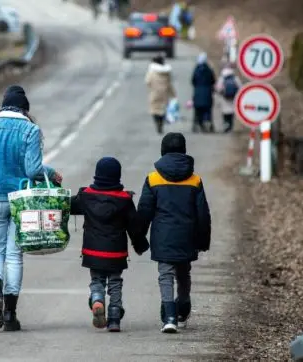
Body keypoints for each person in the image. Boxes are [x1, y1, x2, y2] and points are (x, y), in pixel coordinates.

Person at [0, 85, 62, 332]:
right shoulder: (30, 130)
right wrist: (51, 173)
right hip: (22, 202)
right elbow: (34, 171)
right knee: (15, 255)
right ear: (25, 109)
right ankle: (10, 314)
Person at [136, 132, 211, 334]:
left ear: (163, 150)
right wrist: (203, 240)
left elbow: (144, 211)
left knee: (165, 274)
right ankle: (183, 306)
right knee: (183, 272)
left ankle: (169, 316)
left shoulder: (153, 178)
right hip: (187, 236)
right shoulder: (195, 180)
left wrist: (138, 236)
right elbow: (202, 213)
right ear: (184, 151)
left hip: (163, 235)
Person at [70, 157, 149, 332]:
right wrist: (141, 245)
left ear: (97, 175)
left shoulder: (86, 196)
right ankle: (114, 318)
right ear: (118, 176)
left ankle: (97, 299)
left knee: (97, 279)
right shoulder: (124, 199)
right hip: (116, 253)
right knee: (115, 282)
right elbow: (134, 228)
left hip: (92, 251)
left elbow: (69, 205)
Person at [145, 55, 176, 134]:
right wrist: (173, 95)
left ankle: (157, 123)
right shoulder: (167, 72)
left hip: (154, 93)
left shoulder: (151, 72)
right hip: (165, 94)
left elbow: (147, 82)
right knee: (163, 110)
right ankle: (161, 124)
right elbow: (169, 84)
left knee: (154, 109)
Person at [191, 53, 216, 133]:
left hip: (198, 93)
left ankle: (198, 125)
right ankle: (208, 124)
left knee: (198, 111)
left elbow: (193, 81)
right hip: (207, 93)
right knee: (207, 110)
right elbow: (213, 80)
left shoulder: (196, 69)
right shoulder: (209, 70)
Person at [215, 65, 241, 133]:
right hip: (233, 99)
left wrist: (220, 94)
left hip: (224, 99)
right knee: (231, 113)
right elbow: (240, 88)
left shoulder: (222, 78)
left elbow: (218, 88)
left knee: (225, 113)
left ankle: (226, 126)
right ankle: (230, 126)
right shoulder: (235, 78)